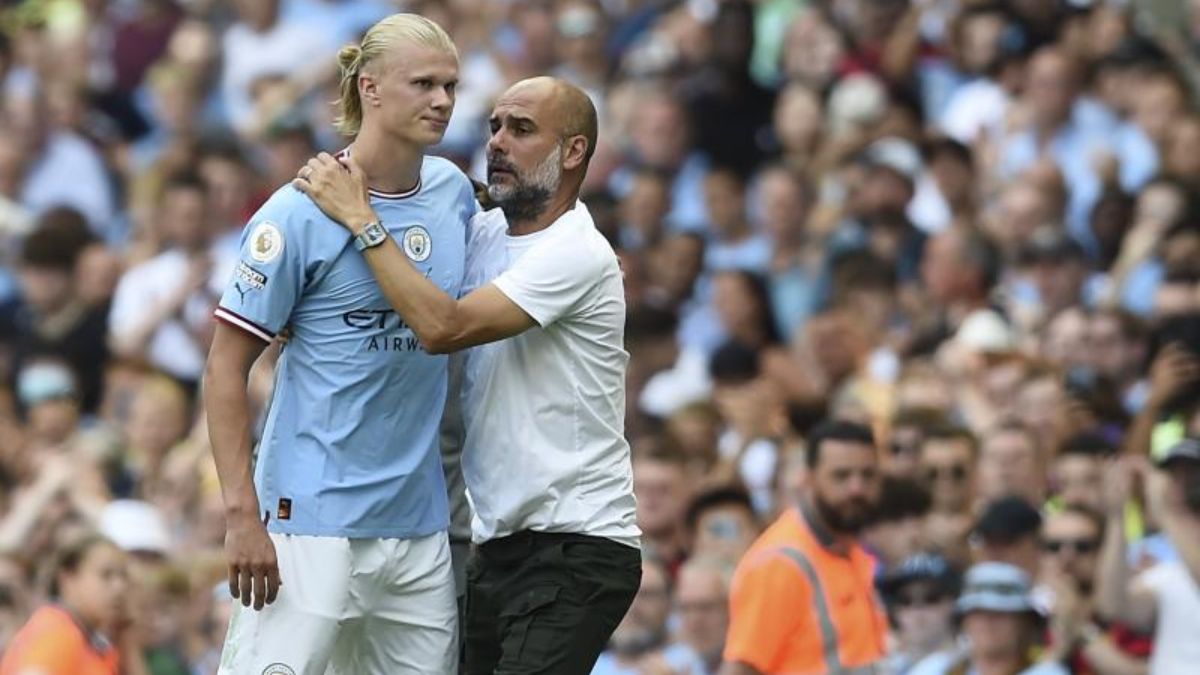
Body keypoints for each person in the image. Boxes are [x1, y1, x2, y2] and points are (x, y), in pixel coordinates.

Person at [295, 74, 640, 674]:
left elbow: (443, 328)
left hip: (577, 544)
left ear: (575, 151)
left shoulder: (576, 252)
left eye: (523, 129)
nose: (499, 141)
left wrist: (360, 217)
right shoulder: (484, 231)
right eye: (496, 126)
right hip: (497, 544)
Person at [204, 14, 471, 674]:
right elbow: (224, 367)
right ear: (372, 89)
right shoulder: (295, 213)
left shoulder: (454, 193)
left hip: (417, 523)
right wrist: (242, 513)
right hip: (306, 518)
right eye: (424, 84)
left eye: (451, 86)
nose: (442, 100)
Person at [720, 419, 887, 674]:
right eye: (841, 476)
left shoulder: (851, 550)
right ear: (808, 479)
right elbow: (740, 669)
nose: (857, 488)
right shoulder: (780, 563)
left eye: (867, 475)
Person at [0, 534, 128, 675]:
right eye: (106, 575)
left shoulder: (87, 636)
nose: (119, 587)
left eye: (123, 576)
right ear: (68, 578)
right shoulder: (58, 632)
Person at [908, 562, 1068, 675]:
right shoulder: (935, 669)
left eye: (1001, 614)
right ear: (964, 621)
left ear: (1025, 623)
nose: (988, 623)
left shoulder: (1048, 673)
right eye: (978, 613)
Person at [877, 554, 960, 675]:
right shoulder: (887, 668)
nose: (917, 609)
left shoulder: (975, 664)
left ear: (953, 604)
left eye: (931, 598)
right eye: (905, 600)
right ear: (894, 611)